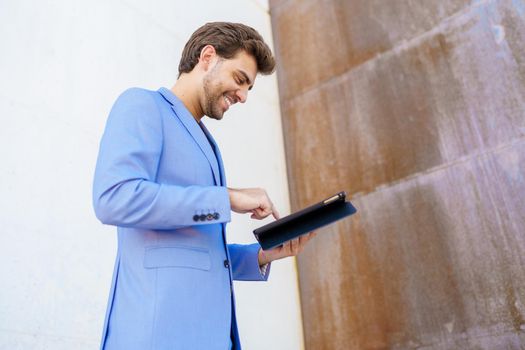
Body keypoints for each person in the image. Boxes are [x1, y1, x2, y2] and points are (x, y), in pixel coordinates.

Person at [92, 22, 315, 350]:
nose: (242, 96)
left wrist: (263, 255)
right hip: (156, 337)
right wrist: (226, 198)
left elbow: (194, 253)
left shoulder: (208, 144)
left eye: (249, 88)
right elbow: (113, 198)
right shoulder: (142, 105)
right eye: (240, 80)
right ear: (207, 57)